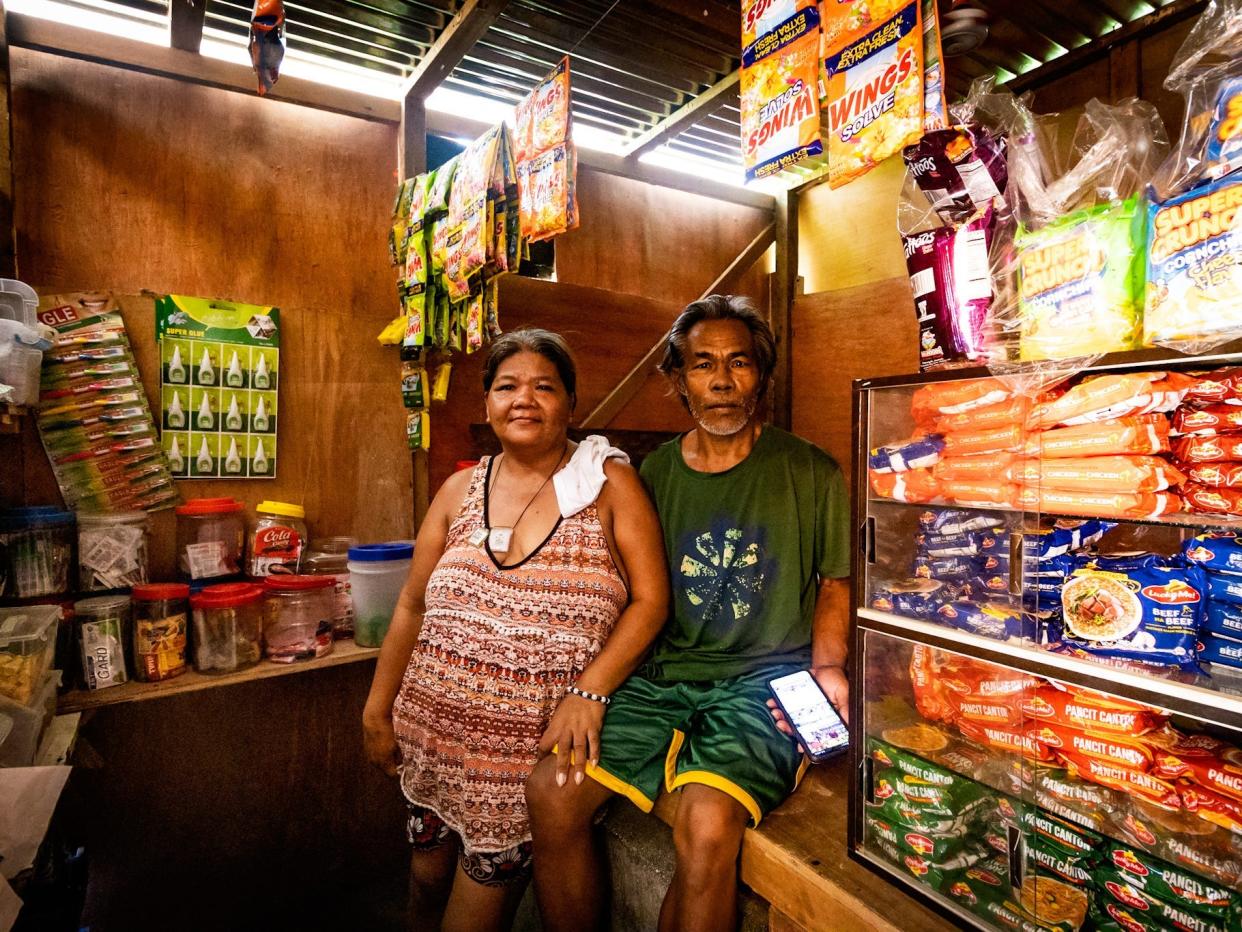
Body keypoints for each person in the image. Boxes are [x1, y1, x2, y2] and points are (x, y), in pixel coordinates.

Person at [526, 295, 851, 932]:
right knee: (552, 793)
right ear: (679, 382)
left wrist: (830, 668)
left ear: (763, 377)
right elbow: (637, 593)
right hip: (665, 679)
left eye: (741, 364)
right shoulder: (655, 474)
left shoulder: (811, 470)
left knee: (706, 825)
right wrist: (592, 687)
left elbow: (835, 582)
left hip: (766, 683)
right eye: (703, 366)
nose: (724, 382)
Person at [362, 328, 669, 932]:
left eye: (544, 387)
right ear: (486, 405)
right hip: (430, 739)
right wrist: (378, 707)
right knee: (424, 884)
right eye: (507, 386)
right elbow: (410, 606)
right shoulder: (457, 491)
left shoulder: (609, 487)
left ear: (571, 405)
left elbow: (652, 602)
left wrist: (590, 690)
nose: (523, 400)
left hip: (520, 760)